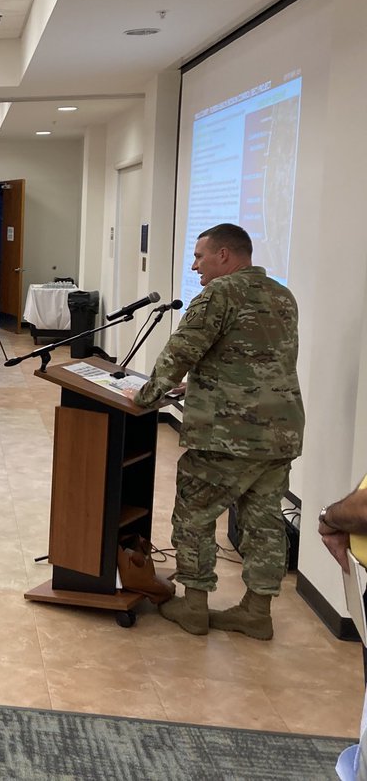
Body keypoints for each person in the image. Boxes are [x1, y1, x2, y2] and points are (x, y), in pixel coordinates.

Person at [125, 223, 304, 640]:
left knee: (195, 514)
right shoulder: (282, 295)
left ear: (224, 255)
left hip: (229, 434)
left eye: (200, 256)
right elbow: (256, 360)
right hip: (281, 432)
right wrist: (203, 384)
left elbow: (181, 351)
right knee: (264, 522)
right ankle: (257, 612)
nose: (195, 265)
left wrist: (146, 396)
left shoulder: (220, 293)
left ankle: (194, 604)